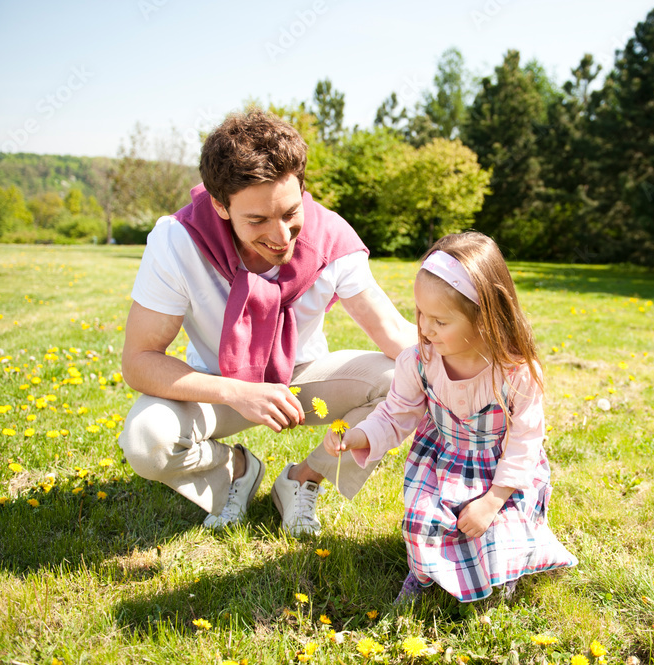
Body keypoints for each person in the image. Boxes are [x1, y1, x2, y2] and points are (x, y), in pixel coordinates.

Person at [119, 110, 417, 535]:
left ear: (302, 188)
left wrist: (485, 369)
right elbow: (139, 360)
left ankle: (302, 480)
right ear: (220, 205)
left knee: (402, 377)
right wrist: (237, 392)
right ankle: (236, 472)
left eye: (290, 212)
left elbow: (395, 334)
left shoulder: (333, 240)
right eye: (257, 220)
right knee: (146, 439)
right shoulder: (177, 241)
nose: (281, 237)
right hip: (216, 385)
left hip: (302, 381)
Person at [324, 232, 577, 603]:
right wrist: (357, 436)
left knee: (496, 535)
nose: (425, 328)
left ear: (484, 318)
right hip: (444, 461)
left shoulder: (516, 373)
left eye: (440, 321)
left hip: (502, 473)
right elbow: (395, 414)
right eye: (421, 314)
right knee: (422, 524)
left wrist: (492, 501)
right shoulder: (419, 361)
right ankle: (423, 572)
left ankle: (503, 571)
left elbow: (525, 443)